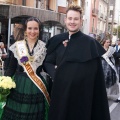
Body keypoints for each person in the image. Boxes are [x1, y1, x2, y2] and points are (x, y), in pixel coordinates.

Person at [43, 5, 110, 120]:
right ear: (65, 20)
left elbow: (96, 73)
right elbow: (47, 62)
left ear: (81, 21)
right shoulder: (57, 40)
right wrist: (57, 75)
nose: (72, 22)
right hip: (61, 94)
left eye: (76, 19)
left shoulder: (90, 44)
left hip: (82, 97)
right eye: (70, 18)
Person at [1, 17, 50, 120]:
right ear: (25, 30)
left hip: (36, 88)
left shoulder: (44, 48)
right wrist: (4, 84)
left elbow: (47, 67)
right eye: (30, 28)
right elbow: (10, 69)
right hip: (18, 86)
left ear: (39, 30)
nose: (32, 31)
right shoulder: (17, 46)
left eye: (35, 28)